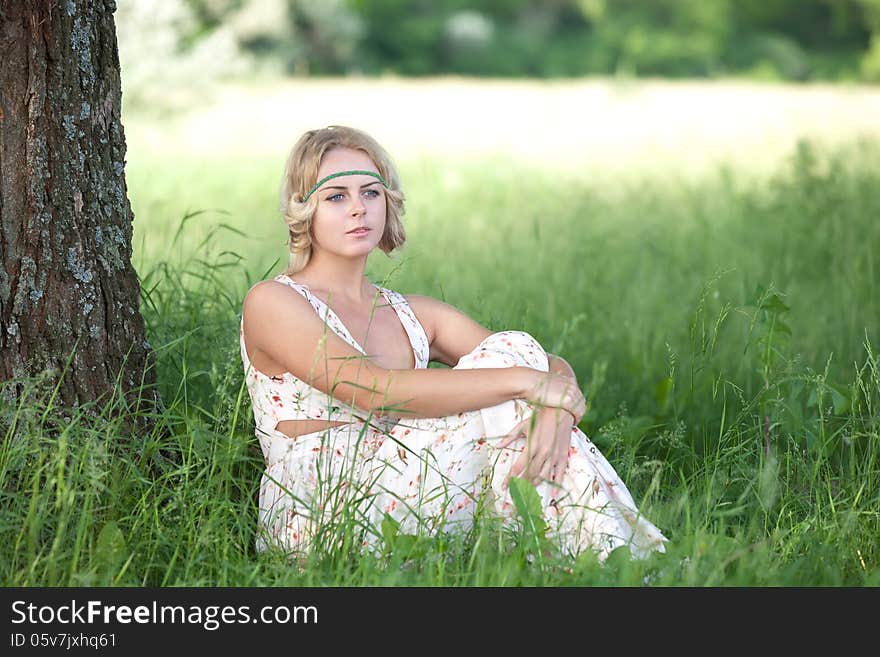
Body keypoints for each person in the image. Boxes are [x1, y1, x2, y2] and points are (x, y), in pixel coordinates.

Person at [239, 125, 667, 562]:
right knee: (513, 382)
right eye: (336, 196)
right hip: (323, 514)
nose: (358, 209)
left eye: (370, 193)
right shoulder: (274, 301)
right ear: (303, 209)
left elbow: (540, 359)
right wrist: (529, 385)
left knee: (514, 354)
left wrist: (557, 409)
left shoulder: (412, 313)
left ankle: (601, 562)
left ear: (388, 202)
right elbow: (375, 390)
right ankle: (625, 561)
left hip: (408, 487)